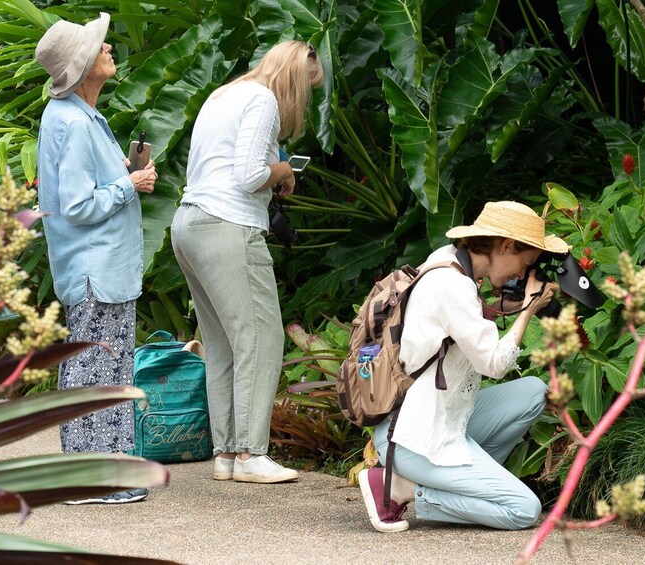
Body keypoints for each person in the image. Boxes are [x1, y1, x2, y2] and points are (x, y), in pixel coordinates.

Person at [358, 201, 566, 532]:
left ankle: (461, 483)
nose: (520, 274)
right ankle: (402, 488)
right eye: (524, 263)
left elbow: (457, 328)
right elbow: (494, 363)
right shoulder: (452, 286)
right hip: (413, 437)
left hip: (443, 417)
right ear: (504, 246)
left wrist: (507, 306)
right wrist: (528, 310)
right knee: (524, 509)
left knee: (533, 392)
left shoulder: (447, 261)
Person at [170, 41, 323, 483]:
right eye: (307, 87)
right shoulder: (263, 100)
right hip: (227, 226)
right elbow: (250, 175)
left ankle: (226, 455)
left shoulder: (225, 94)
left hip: (190, 223)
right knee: (260, 336)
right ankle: (251, 455)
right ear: (293, 77)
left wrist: (270, 168)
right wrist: (283, 172)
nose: (305, 98)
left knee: (221, 342)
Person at [35, 13, 158, 504]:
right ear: (84, 66)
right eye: (100, 47)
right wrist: (130, 184)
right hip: (95, 269)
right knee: (96, 370)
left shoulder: (77, 116)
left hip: (101, 267)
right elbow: (78, 205)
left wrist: (124, 172)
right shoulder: (72, 122)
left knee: (104, 368)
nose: (108, 49)